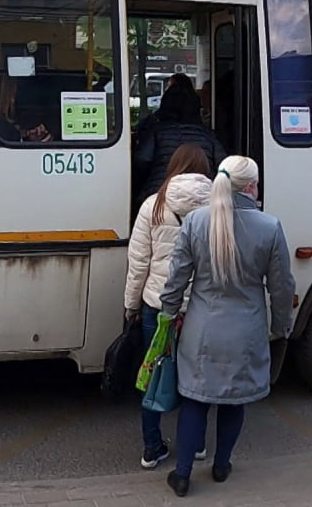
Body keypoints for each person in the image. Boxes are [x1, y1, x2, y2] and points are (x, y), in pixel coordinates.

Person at [158, 155, 295, 497]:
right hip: (246, 331)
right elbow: (282, 287)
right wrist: (282, 326)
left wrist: (168, 314)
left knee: (195, 401)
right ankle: (221, 466)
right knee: (234, 402)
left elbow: (176, 279)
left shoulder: (196, 222)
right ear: (250, 187)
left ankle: (183, 474)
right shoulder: (269, 226)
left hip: (200, 330)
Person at [124, 144, 214, 470]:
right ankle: (198, 444)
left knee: (154, 375)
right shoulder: (219, 208)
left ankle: (152, 448)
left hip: (158, 308)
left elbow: (138, 263)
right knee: (198, 378)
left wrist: (130, 305)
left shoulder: (154, 204)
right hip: (202, 309)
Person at [132, 85, 227, 217]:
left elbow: (142, 160)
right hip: (201, 197)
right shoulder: (208, 135)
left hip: (160, 194)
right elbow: (224, 165)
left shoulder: (157, 131)